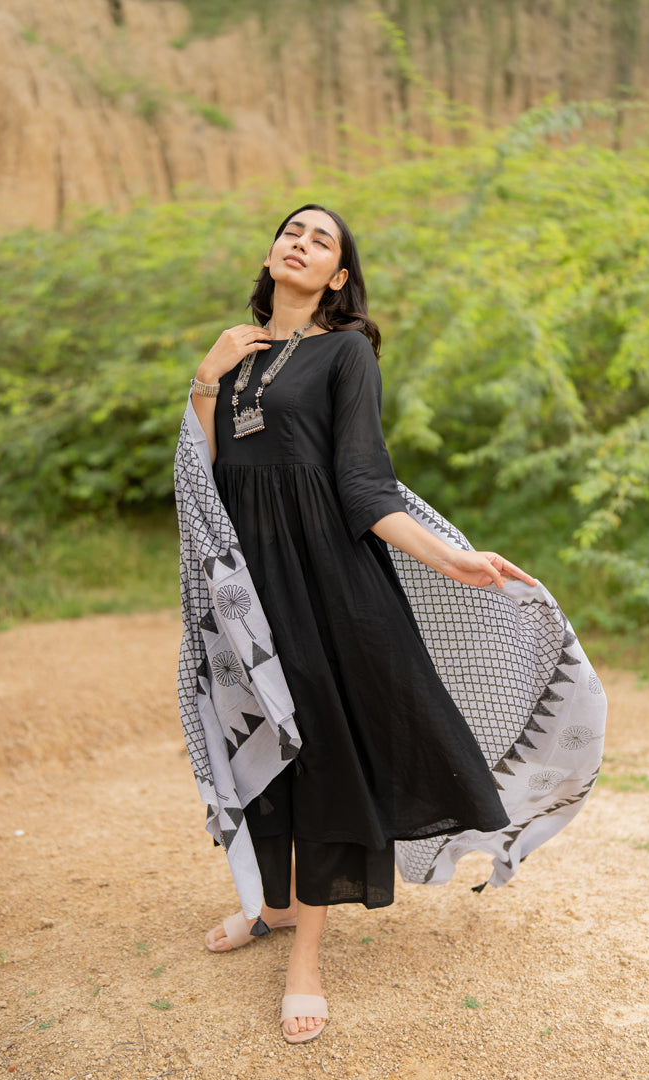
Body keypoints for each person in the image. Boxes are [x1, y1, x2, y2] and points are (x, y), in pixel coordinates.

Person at [183, 204, 537, 1044]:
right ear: (271, 251)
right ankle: (271, 904)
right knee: (254, 739)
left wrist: (451, 558)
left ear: (338, 276)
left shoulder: (345, 353)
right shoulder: (233, 352)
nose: (301, 243)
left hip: (325, 581)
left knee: (320, 749)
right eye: (291, 232)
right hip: (245, 583)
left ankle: (305, 956)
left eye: (322, 241)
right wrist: (205, 377)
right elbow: (203, 477)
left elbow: (363, 482)